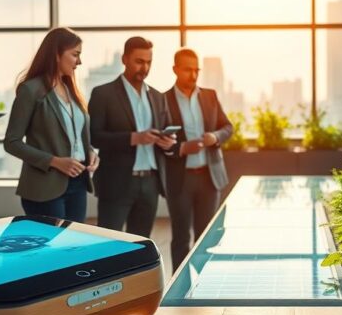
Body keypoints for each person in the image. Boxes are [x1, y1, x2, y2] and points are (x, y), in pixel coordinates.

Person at [4, 27, 98, 223]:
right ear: (56, 54)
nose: (79, 62)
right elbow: (11, 142)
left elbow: (74, 136)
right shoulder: (30, 90)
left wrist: (89, 152)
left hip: (78, 182)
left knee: (73, 247)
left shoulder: (71, 90)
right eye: (75, 55)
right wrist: (55, 161)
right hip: (44, 187)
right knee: (51, 251)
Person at [89, 36, 175, 237]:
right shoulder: (103, 94)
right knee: (108, 244)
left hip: (151, 183)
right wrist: (133, 138)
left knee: (140, 245)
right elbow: (94, 137)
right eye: (139, 61)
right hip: (117, 182)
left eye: (148, 62)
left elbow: (167, 131)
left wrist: (167, 143)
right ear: (124, 59)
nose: (144, 67)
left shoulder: (157, 96)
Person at [162, 48, 234, 271]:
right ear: (175, 69)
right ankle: (179, 290)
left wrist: (215, 136)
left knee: (207, 237)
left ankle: (204, 285)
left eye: (196, 70)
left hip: (208, 177)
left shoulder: (210, 96)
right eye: (187, 70)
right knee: (181, 238)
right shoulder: (162, 100)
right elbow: (159, 139)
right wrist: (181, 148)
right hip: (180, 178)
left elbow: (228, 127)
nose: (193, 75)